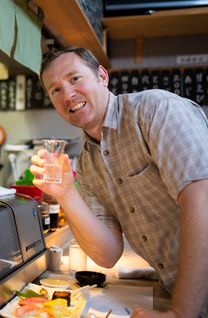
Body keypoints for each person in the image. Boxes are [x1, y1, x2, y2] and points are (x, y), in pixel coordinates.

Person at [30, 46, 208, 318]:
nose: (67, 95)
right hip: (180, 293)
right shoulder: (88, 162)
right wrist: (66, 193)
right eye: (55, 90)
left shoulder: (156, 111)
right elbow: (106, 254)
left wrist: (181, 312)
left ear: (102, 76)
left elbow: (202, 200)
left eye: (74, 79)